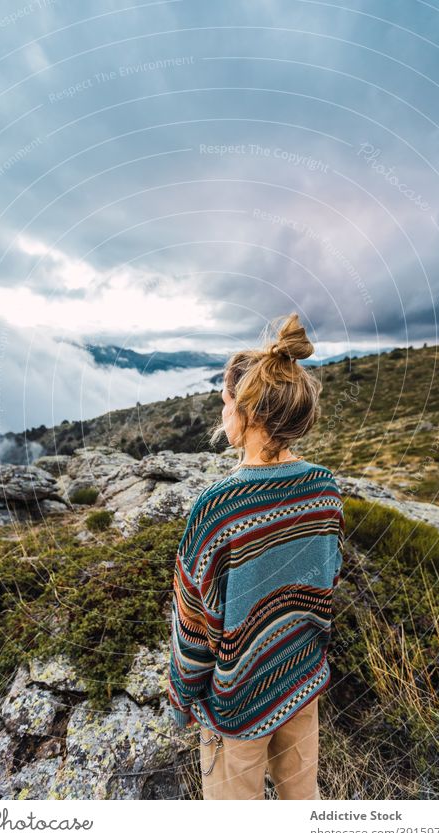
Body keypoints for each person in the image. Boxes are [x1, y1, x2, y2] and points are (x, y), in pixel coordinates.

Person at [168, 312, 345, 800]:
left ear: (246, 411)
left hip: (239, 700)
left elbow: (195, 621)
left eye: (225, 401)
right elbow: (327, 577)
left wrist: (182, 695)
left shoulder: (219, 508)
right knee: (300, 803)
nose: (221, 412)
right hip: (302, 676)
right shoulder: (323, 488)